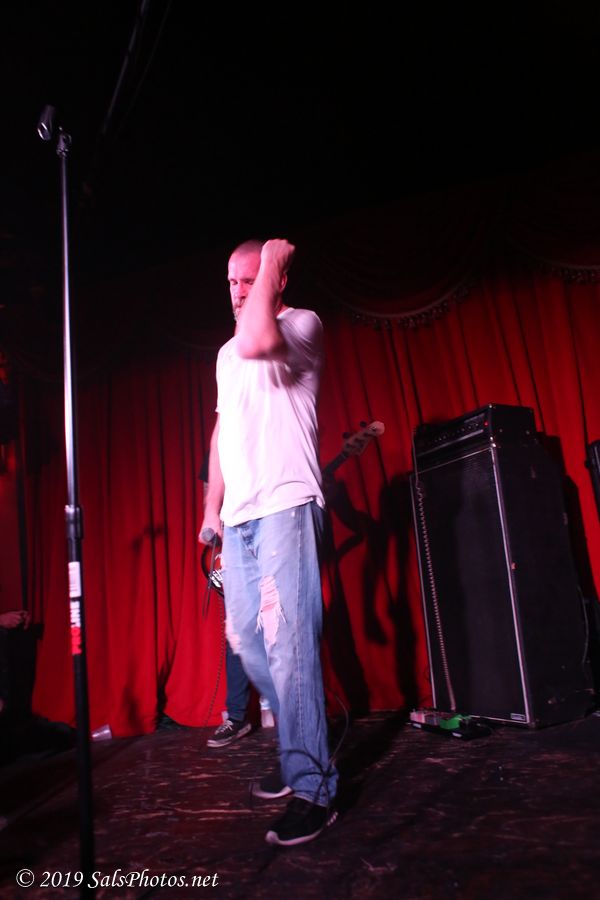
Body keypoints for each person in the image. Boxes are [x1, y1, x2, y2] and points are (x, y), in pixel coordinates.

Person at [199, 238, 338, 846]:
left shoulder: (301, 324)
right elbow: (222, 432)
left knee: (290, 650)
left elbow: (259, 339)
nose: (237, 291)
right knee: (251, 646)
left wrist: (276, 261)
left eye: (249, 279)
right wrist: (213, 508)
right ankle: (297, 752)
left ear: (277, 280)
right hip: (240, 517)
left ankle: (313, 789)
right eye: (231, 281)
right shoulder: (225, 354)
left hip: (286, 505)